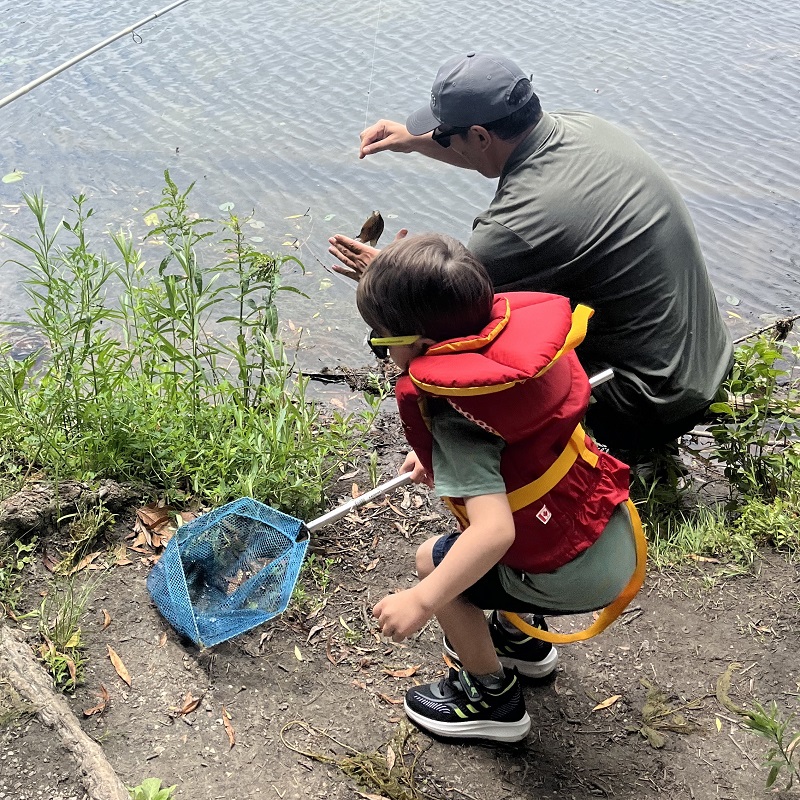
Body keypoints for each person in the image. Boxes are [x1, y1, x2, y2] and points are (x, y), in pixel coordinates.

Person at [331, 51, 733, 457]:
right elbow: (492, 154)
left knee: (457, 348)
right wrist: (414, 141)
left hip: (649, 398)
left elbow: (445, 308)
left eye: (445, 136)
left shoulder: (512, 231)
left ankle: (606, 457)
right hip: (705, 358)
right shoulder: (584, 127)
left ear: (480, 136)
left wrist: (389, 279)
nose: (441, 141)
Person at [357, 232, 643, 742]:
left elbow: (494, 534)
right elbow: (520, 453)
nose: (380, 349)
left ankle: (491, 697)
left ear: (419, 346)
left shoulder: (457, 416)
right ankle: (520, 642)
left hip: (569, 572)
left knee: (434, 562)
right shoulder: (518, 366)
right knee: (513, 529)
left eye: (380, 340)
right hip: (607, 530)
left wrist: (421, 600)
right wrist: (436, 455)